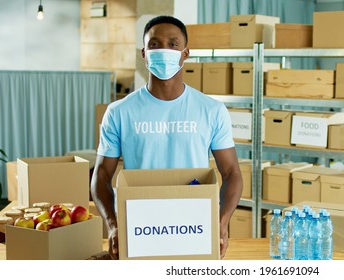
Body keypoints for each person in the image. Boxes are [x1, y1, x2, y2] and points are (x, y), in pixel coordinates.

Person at [91, 15, 243, 260]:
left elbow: (232, 172)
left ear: (185, 53)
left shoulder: (211, 110)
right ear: (144, 53)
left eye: (173, 44)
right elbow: (102, 175)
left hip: (195, 225)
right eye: (155, 44)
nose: (164, 50)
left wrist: (221, 222)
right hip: (139, 226)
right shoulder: (119, 112)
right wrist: (113, 223)